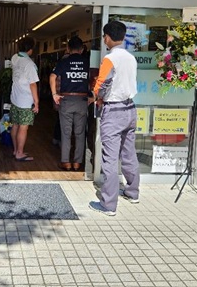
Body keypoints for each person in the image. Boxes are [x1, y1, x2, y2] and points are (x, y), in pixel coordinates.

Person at [89, 20, 140, 216]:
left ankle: (108, 204)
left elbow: (101, 84)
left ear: (107, 37)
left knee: (109, 158)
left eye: (104, 37)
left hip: (114, 110)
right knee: (128, 152)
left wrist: (97, 97)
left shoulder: (110, 59)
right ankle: (132, 192)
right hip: (130, 109)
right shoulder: (130, 58)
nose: (104, 40)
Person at [50, 36, 90, 171]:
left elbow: (52, 76)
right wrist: (94, 96)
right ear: (82, 49)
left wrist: (54, 94)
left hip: (66, 100)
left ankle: (66, 162)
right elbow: (95, 79)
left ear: (68, 48)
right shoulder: (87, 62)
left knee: (66, 133)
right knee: (80, 133)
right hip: (82, 101)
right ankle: (77, 162)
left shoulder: (64, 62)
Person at [10, 37, 39, 162]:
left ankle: (16, 150)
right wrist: (36, 102)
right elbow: (33, 84)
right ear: (30, 49)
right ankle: (20, 153)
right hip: (25, 101)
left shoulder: (14, 58)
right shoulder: (30, 64)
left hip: (15, 98)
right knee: (23, 127)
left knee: (15, 125)